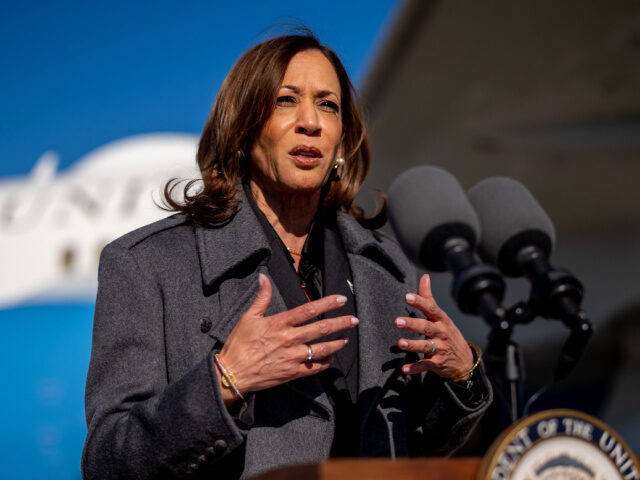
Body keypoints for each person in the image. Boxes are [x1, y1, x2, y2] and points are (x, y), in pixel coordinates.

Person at [82, 32, 492, 479]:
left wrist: (462, 374)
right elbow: (108, 463)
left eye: (328, 105)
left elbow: (410, 446)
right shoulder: (145, 265)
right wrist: (225, 380)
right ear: (241, 127)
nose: (311, 122)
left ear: (341, 141)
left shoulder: (389, 271)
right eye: (285, 100)